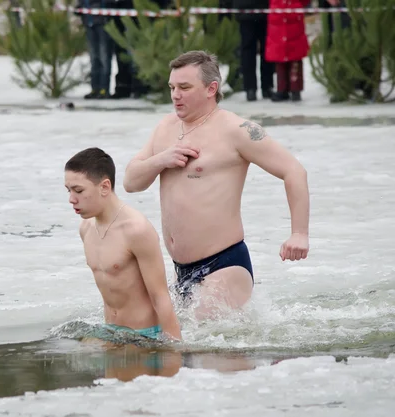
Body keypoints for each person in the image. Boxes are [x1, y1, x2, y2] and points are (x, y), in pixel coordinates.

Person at [123, 50, 310, 319]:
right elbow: (131, 182)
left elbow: (294, 171)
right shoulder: (166, 127)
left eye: (185, 87)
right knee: (178, 345)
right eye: (172, 87)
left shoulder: (237, 130)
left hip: (224, 264)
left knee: (207, 347)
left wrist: (299, 233)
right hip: (181, 270)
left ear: (211, 88)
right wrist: (162, 159)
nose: (175, 95)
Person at [64, 147, 182, 341]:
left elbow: (160, 297)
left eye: (78, 190)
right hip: (111, 332)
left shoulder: (136, 230)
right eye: (68, 190)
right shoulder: (85, 228)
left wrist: (174, 353)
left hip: (144, 336)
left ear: (104, 187)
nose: (71, 199)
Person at [265, 0, 311, 102]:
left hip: (294, 21)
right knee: (279, 58)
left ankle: (296, 89)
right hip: (277, 21)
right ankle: (282, 89)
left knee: (295, 58)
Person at [232, 0, 275, 101]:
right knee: (251, 51)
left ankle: (260, 87)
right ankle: (256, 88)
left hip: (259, 11)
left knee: (262, 50)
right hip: (250, 11)